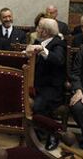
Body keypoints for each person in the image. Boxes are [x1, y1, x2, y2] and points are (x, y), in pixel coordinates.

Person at [26, 18, 67, 151]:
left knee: (38, 105)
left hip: (52, 88)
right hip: (37, 85)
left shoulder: (58, 44)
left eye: (38, 27)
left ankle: (53, 133)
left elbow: (58, 60)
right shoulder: (39, 41)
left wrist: (43, 50)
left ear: (45, 31)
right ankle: (35, 132)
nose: (36, 30)